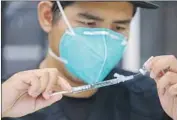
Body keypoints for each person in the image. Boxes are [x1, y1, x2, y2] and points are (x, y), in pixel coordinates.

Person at [2, 1, 177, 120]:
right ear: (47, 16)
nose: (104, 42)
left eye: (119, 27)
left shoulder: (156, 99)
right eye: (89, 23)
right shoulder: (9, 99)